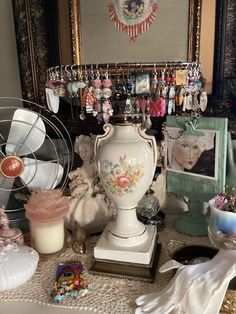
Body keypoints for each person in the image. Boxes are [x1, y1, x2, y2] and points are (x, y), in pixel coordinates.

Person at [66, 135, 115, 235]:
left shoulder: (97, 168)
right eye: (80, 152)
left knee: (101, 209)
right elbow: (74, 189)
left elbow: (103, 182)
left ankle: (98, 228)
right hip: (83, 196)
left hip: (97, 194)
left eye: (86, 151)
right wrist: (80, 188)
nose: (83, 155)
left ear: (92, 150)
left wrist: (97, 186)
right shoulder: (77, 172)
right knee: (77, 211)